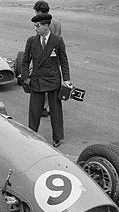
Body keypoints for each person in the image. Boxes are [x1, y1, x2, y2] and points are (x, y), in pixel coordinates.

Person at [21, 13, 72, 148]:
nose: (35, 29)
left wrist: (66, 80)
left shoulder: (57, 40)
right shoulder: (31, 41)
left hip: (53, 80)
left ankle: (57, 138)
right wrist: (25, 77)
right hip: (36, 80)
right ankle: (32, 135)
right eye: (35, 26)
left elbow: (64, 61)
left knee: (55, 111)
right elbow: (25, 61)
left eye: (37, 26)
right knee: (34, 111)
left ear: (46, 26)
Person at [34, 1, 61, 116]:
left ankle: (43, 107)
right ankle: (50, 107)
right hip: (56, 55)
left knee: (43, 82)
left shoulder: (41, 24)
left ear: (39, 12)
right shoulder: (56, 22)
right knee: (53, 82)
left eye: (35, 12)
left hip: (45, 57)